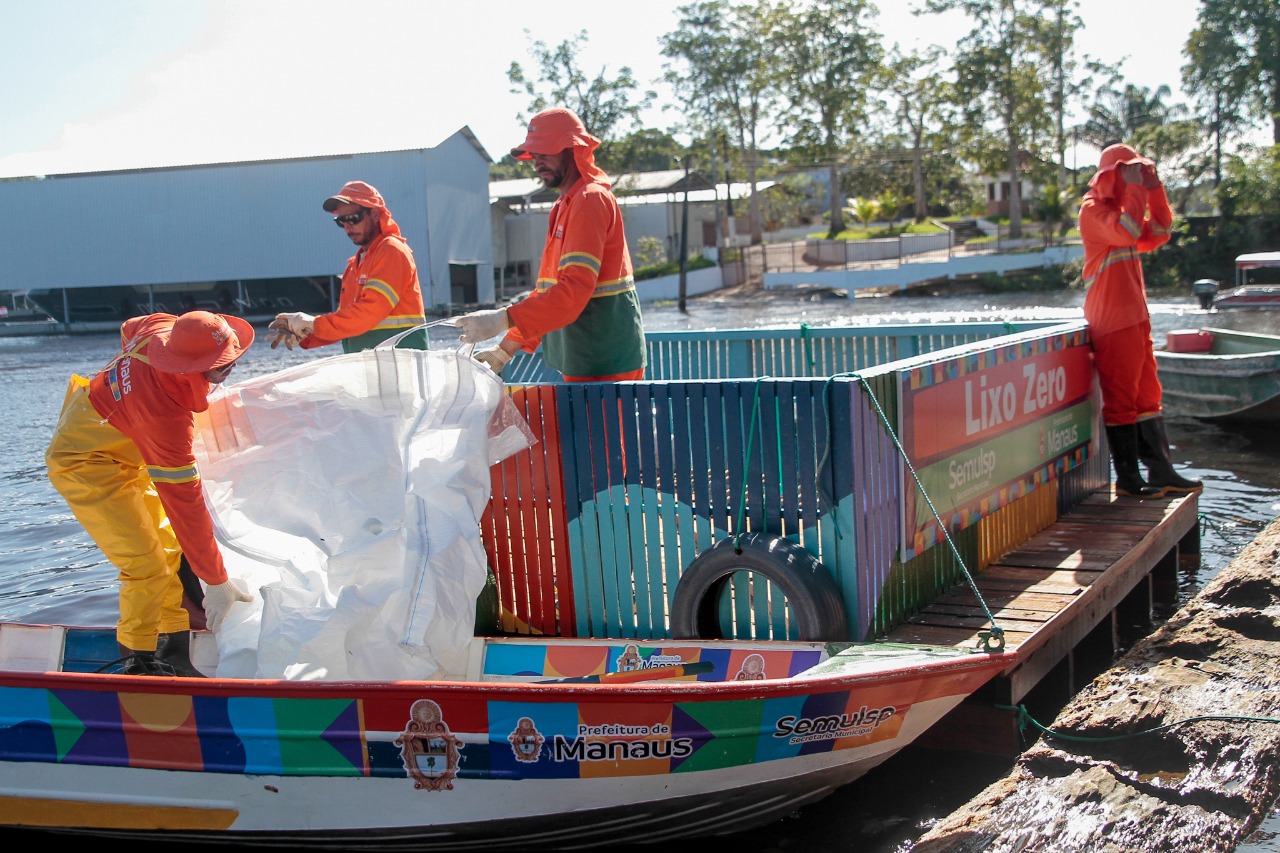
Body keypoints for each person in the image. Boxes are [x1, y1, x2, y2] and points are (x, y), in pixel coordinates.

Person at [45, 311, 256, 676]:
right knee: (145, 566)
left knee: (170, 552)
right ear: (185, 364)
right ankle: (138, 662)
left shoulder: (161, 329)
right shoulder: (165, 418)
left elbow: (130, 325)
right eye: (217, 365)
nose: (230, 366)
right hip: (83, 463)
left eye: (231, 357)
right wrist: (217, 581)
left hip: (113, 441)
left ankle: (173, 652)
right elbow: (185, 506)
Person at [454, 107, 646, 381]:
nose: (536, 162)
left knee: (608, 427)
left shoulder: (590, 199)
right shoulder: (564, 205)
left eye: (544, 152)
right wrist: (505, 349)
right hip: (585, 357)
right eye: (534, 155)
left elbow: (572, 291)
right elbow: (548, 292)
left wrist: (502, 319)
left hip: (606, 362)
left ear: (572, 149)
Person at [1078, 143, 1202, 500]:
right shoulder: (1093, 212)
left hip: (1136, 320)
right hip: (1113, 322)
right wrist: (1134, 188)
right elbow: (1129, 231)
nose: (1133, 176)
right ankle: (1130, 480)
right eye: (1127, 171)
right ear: (1110, 175)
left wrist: (1154, 187)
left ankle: (1161, 472)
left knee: (1149, 396)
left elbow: (1160, 232)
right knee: (1121, 400)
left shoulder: (1122, 209)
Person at [269, 181, 427, 352]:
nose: (347, 227)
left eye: (353, 218)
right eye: (341, 221)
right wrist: (306, 333)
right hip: (374, 367)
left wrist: (314, 324)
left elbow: (370, 312)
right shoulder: (356, 265)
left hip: (401, 367)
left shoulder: (391, 250)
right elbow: (346, 323)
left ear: (374, 214)